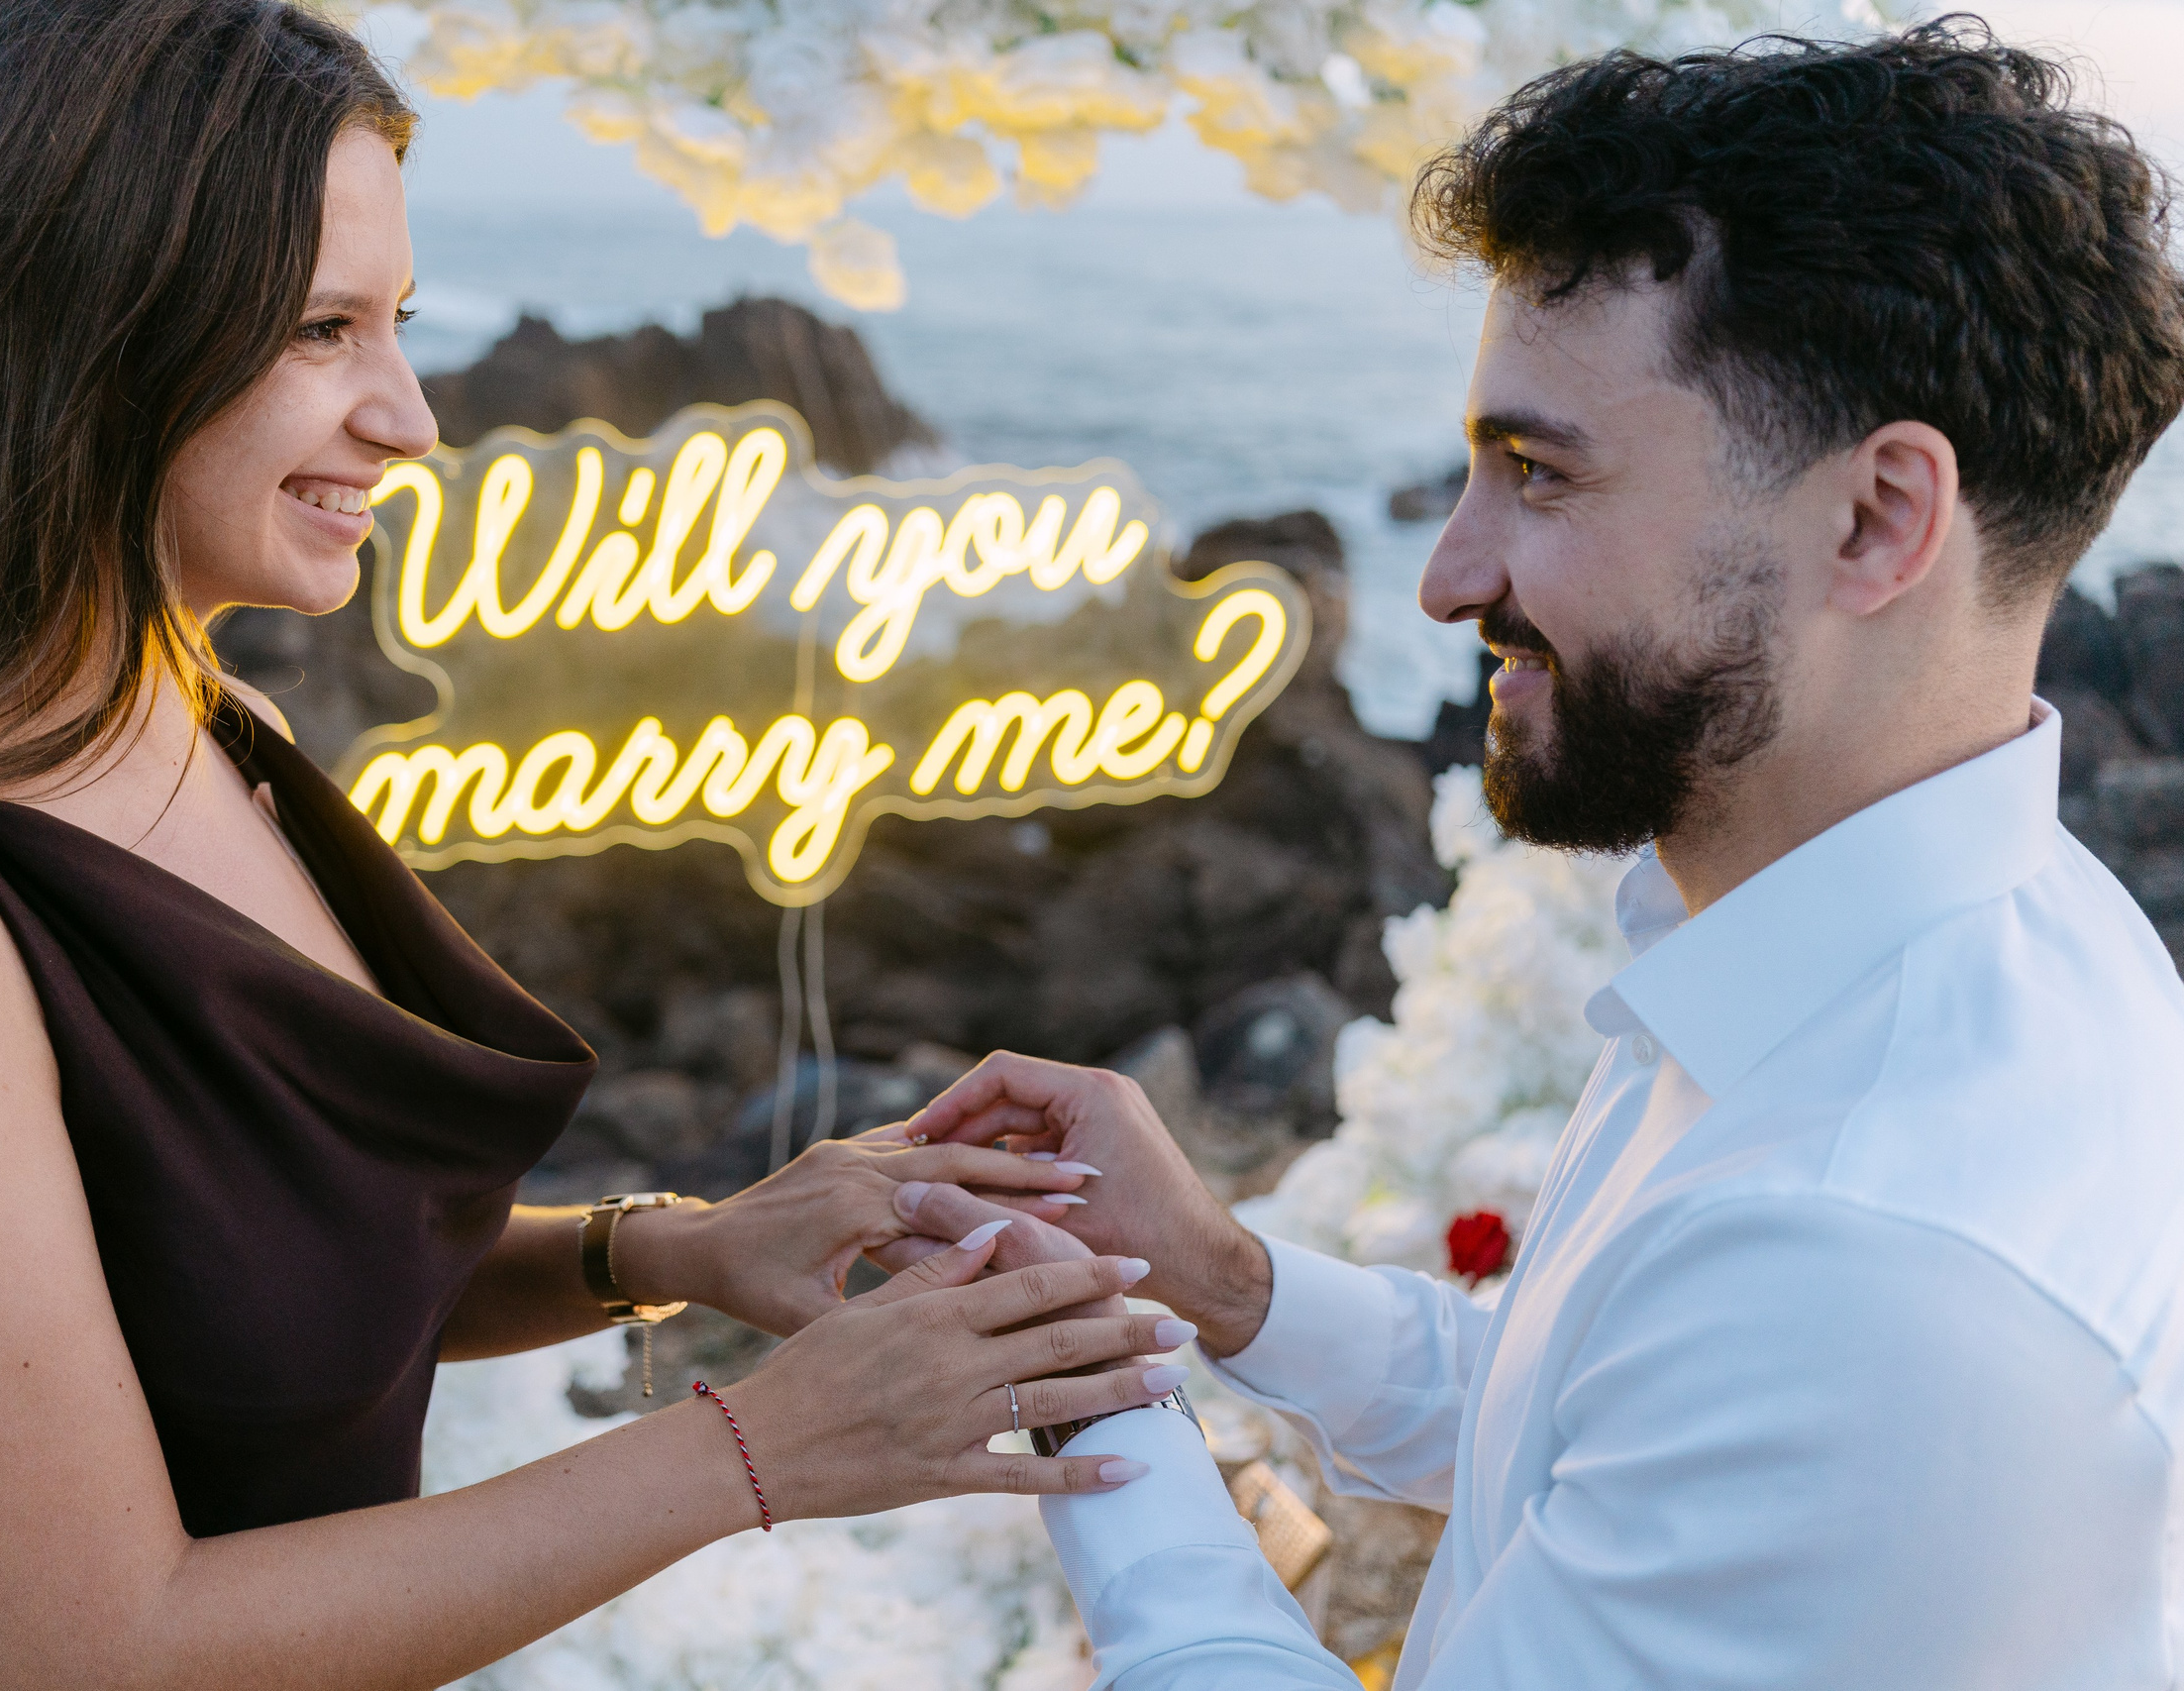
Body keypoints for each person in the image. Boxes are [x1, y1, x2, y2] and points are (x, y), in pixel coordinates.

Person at [0, 4, 1189, 1687]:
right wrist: (758, 1449)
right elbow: (98, 1648)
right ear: (74, 327)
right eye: (322, 329)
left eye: (399, 322)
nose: (411, 415)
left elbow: (272, 1281)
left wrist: (669, 1246)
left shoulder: (221, 737)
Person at [895, 18, 2184, 1689]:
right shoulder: (1971, 950)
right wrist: (1218, 1282)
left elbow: (1771, 1364)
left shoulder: (1870, 1250)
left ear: (1876, 520)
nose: (1448, 574)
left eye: (1539, 474)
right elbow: (1601, 1418)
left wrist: (1094, 1403)